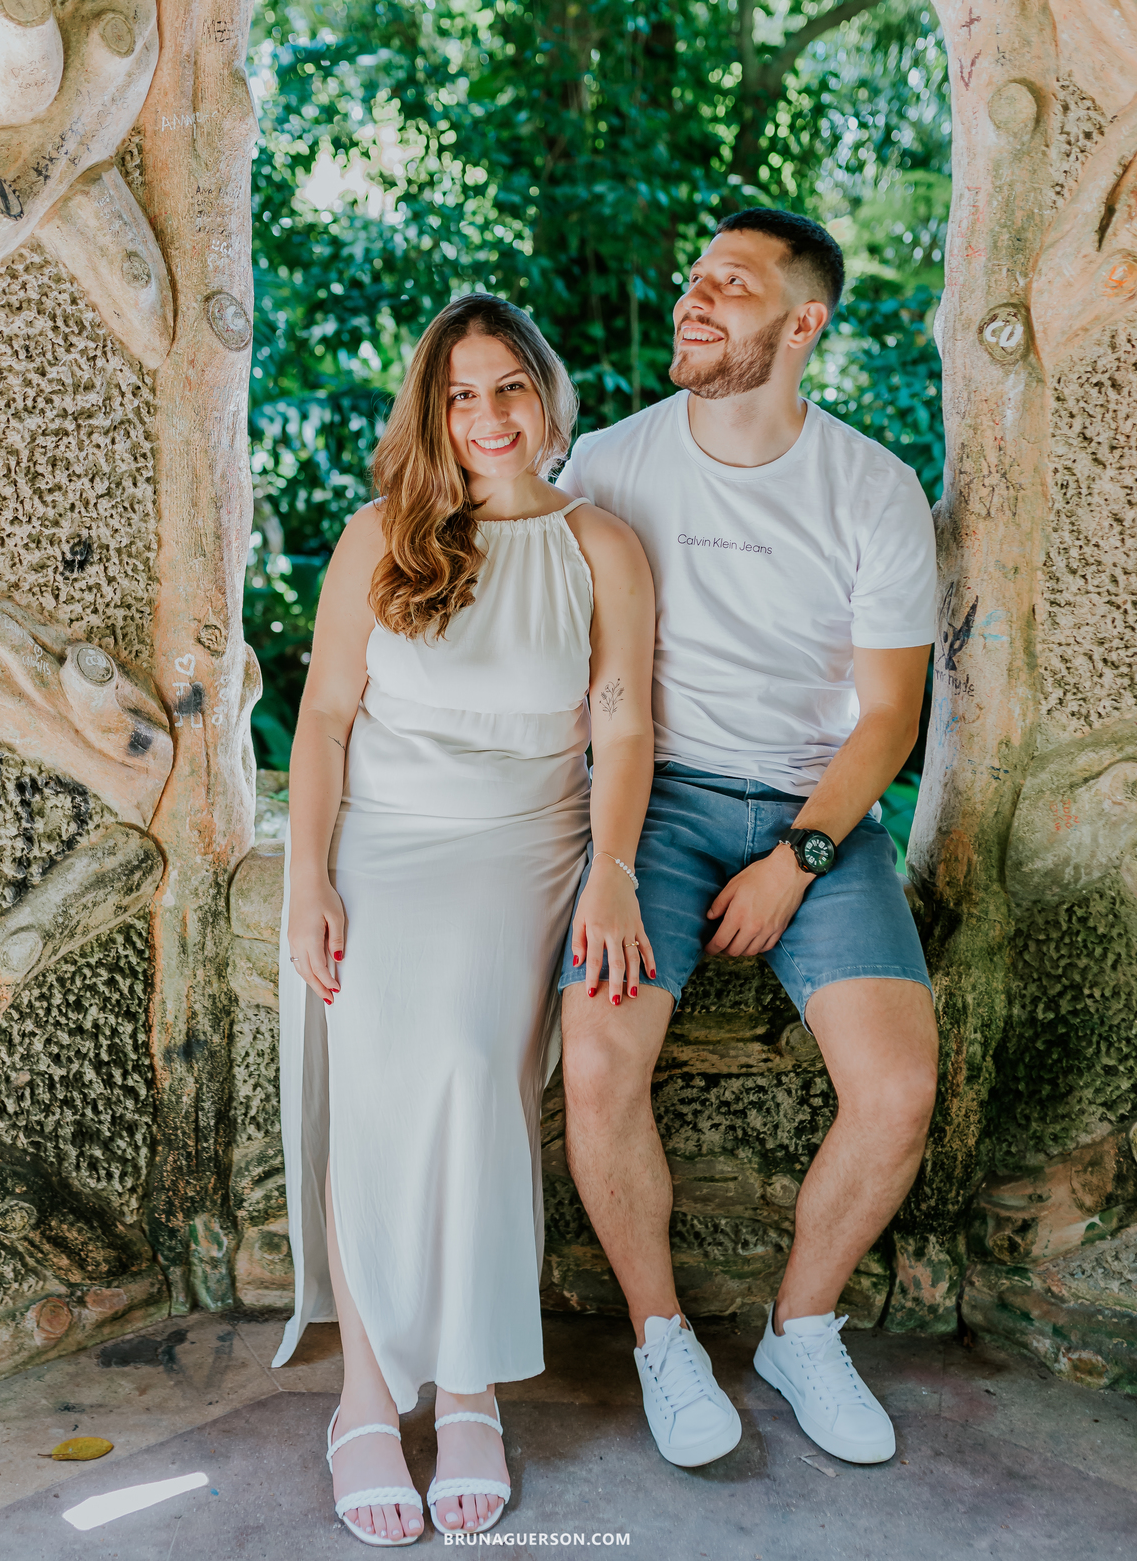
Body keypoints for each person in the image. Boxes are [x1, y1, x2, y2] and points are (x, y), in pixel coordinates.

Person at [556, 208, 939, 1470]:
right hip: (650, 805)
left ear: (803, 323)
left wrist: (800, 860)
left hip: (817, 815)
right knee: (601, 1066)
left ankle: (801, 1325)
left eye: (734, 283)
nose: (697, 297)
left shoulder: (874, 489)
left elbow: (889, 716)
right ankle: (662, 1340)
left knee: (896, 1091)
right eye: (696, 278)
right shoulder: (607, 463)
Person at [273, 294, 656, 1547]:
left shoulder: (600, 544)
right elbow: (325, 720)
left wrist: (613, 869)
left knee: (470, 1064)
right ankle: (369, 1398)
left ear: (547, 396)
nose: (487, 415)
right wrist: (309, 876)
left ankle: (475, 1386)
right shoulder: (381, 535)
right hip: (383, 838)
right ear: (430, 412)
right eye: (459, 394)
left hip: (525, 843)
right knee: (379, 1055)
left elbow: (620, 724)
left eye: (508, 387)